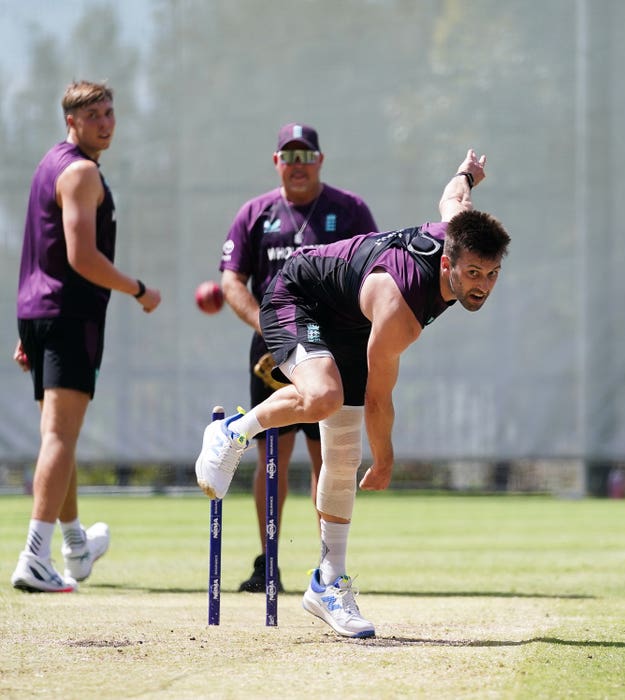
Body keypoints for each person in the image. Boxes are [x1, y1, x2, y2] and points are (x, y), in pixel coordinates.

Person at [196, 148, 510, 637]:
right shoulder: (400, 309)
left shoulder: (460, 228)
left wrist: (467, 172)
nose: (482, 287)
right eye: (472, 274)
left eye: (491, 275)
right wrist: (384, 459)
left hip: (347, 317)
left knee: (340, 451)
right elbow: (381, 400)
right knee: (324, 398)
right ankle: (232, 431)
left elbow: (454, 194)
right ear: (448, 261)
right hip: (298, 295)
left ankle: (326, 582)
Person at [11, 80, 161, 593]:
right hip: (69, 316)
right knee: (59, 437)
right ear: (70, 122)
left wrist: (27, 328)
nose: (105, 122)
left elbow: (40, 250)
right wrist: (138, 288)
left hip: (38, 313)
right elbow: (82, 258)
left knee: (59, 436)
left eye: (109, 112)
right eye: (93, 114)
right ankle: (33, 556)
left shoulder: (49, 163)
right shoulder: (80, 172)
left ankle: (74, 544)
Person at [218, 123, 377, 592]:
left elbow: (373, 271)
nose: (298, 165)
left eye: (306, 156)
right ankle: (268, 560)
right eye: (289, 156)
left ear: (320, 160)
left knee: (328, 453)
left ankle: (326, 564)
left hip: (334, 346)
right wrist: (271, 332)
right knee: (271, 452)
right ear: (276, 162)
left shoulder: (348, 210)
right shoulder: (256, 213)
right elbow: (231, 282)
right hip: (272, 345)